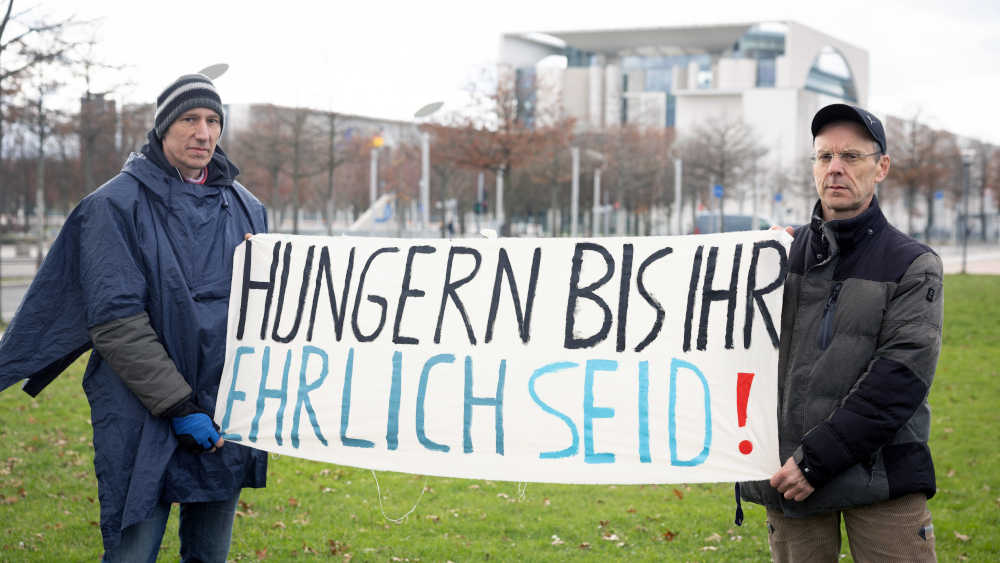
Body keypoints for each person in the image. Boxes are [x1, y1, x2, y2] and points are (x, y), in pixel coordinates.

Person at [0, 70, 268, 562]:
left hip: (224, 414)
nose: (203, 133)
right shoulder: (113, 207)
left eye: (213, 121)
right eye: (189, 119)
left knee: (210, 555)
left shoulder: (248, 209)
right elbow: (116, 322)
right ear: (163, 126)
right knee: (132, 555)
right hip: (143, 412)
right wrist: (181, 408)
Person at [739, 104, 943, 562]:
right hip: (788, 477)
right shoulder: (778, 256)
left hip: (880, 475)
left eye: (850, 156)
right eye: (824, 156)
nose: (834, 169)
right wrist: (752, 264)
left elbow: (900, 378)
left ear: (881, 167)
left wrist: (817, 460)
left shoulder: (912, 264)